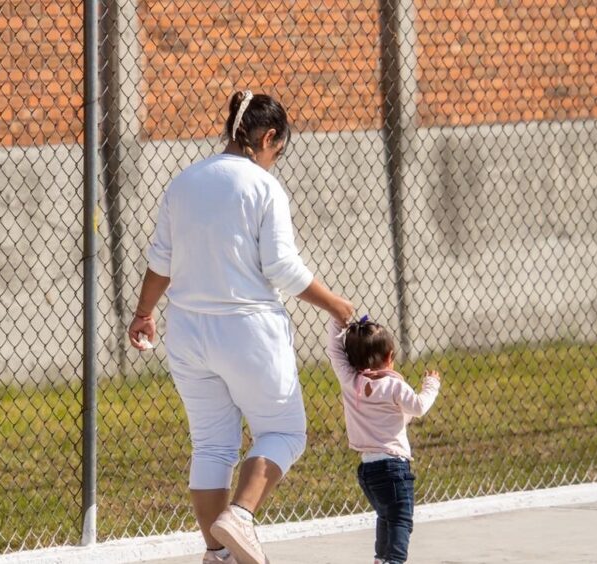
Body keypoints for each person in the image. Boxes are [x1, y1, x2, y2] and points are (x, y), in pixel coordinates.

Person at [128, 90, 355, 564]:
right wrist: (337, 305)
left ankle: (218, 555)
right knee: (285, 432)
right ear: (268, 137)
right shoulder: (263, 187)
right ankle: (241, 515)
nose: (275, 161)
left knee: (211, 445)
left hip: (187, 334)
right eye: (279, 151)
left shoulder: (184, 183)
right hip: (248, 331)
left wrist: (144, 312)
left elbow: (161, 262)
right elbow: (282, 268)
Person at [325, 316, 441, 564]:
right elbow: (419, 407)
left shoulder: (351, 381)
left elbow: (334, 351)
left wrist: (338, 321)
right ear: (390, 356)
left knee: (386, 516)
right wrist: (431, 385)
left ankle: (381, 558)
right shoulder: (394, 386)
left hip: (368, 469)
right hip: (393, 466)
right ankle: (394, 561)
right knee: (400, 519)